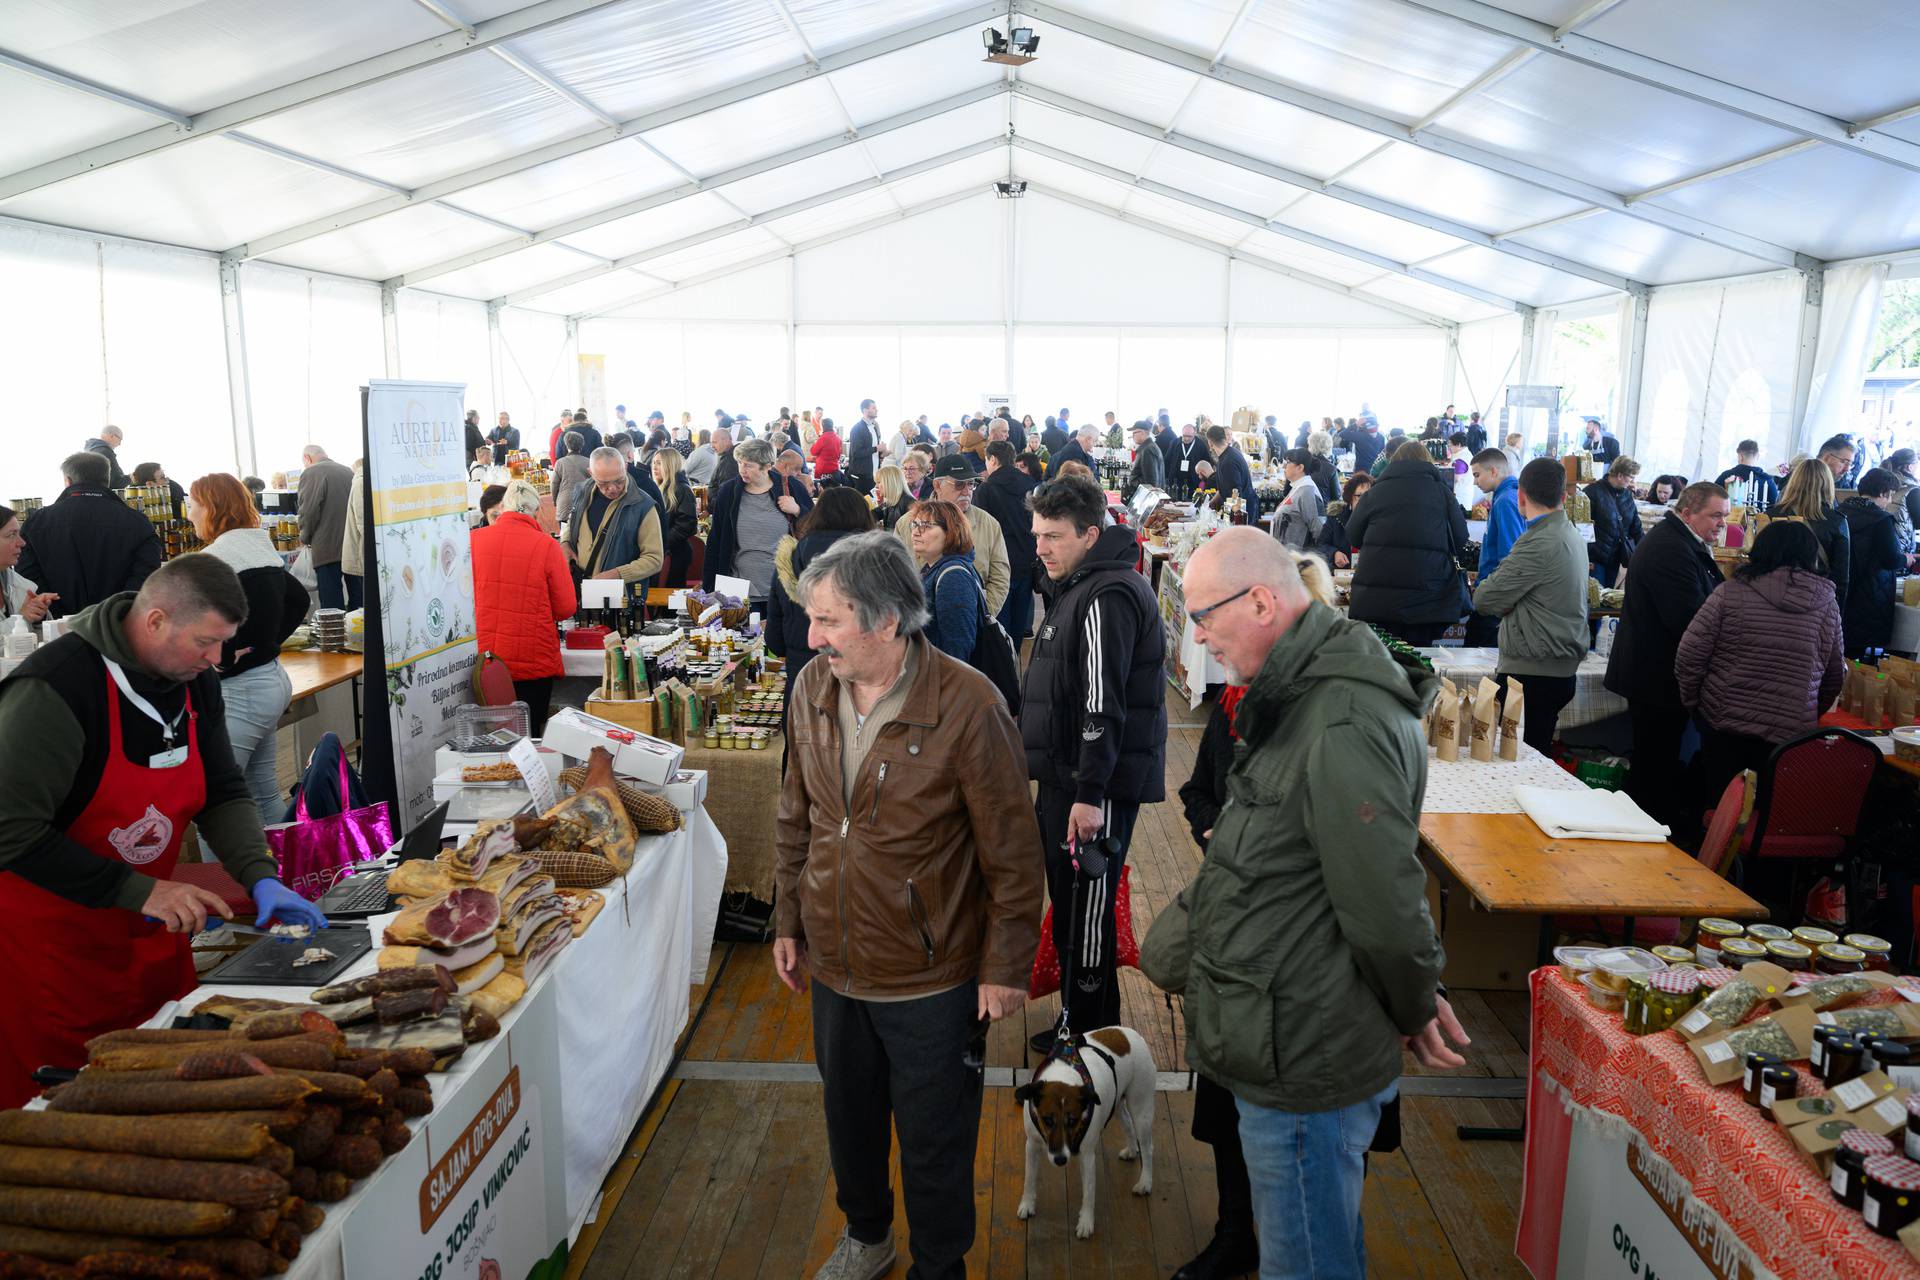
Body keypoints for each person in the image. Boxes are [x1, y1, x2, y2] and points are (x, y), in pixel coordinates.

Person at [1143, 528, 1456, 1280]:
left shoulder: (1341, 721)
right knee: (1319, 1245)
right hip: (1285, 1027)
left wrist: (1415, 1005)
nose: (1201, 638)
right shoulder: (1305, 702)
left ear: (1260, 600)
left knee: (1305, 1261)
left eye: (1205, 616)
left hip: (1304, 1052)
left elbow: (1384, 904)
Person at [772, 531, 1041, 1280]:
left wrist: (1006, 965)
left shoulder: (968, 704)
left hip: (932, 974)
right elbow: (798, 812)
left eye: (829, 619)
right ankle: (867, 1236)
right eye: (811, 617)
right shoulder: (812, 689)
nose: (811, 635)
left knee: (935, 1139)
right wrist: (788, 916)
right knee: (849, 1122)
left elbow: (1013, 857)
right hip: (834, 960)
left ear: (887, 621)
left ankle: (938, 1263)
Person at [0, 555, 328, 1107]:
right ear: (154, 621)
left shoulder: (193, 681)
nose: (217, 659)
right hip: (53, 950)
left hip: (150, 934)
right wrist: (141, 890)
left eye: (224, 643)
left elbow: (222, 790)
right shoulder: (53, 691)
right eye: (206, 642)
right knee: (74, 1115)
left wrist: (259, 874)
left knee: (169, 1090)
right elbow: (9, 831)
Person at [1020, 473, 1165, 1042]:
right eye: (1037, 535)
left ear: (1088, 533)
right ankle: (1079, 1024)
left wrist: (1088, 794)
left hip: (1090, 789)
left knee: (1086, 919)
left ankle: (1088, 1041)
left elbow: (1103, 706)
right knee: (1074, 909)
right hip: (1068, 779)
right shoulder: (1081, 584)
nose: (1041, 547)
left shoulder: (1107, 595)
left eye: (1053, 536)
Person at [1676, 520, 1844, 804]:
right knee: (1766, 812)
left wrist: (1696, 704)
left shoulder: (1730, 593)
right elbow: (1834, 675)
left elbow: (1689, 656)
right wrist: (1806, 711)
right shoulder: (1826, 604)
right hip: (1789, 732)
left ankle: (1712, 848)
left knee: (1720, 809)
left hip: (1724, 721)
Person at [1603, 481, 1731, 830]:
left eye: (1726, 516)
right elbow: (1689, 619)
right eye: (1716, 515)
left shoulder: (1683, 542)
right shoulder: (1672, 549)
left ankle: (1649, 831)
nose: (1722, 523)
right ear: (1688, 512)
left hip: (1659, 675)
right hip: (1655, 677)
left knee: (1656, 763)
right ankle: (1646, 835)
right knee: (1653, 767)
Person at [186, 474, 308, 822]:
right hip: (269, 680)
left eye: (193, 504)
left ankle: (228, 879)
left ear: (212, 507)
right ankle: (281, 870)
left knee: (217, 803)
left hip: (241, 691)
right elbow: (298, 599)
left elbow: (194, 628)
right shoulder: (258, 548)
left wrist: (226, 656)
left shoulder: (217, 560)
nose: (189, 513)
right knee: (262, 789)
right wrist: (266, 641)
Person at [1470, 459, 1590, 756]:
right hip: (1553, 666)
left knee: (1515, 766)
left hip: (1534, 674)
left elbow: (1484, 599)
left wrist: (1508, 600)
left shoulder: (1539, 542)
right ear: (1564, 497)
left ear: (1521, 496)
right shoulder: (1570, 533)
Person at [471, 480, 577, 736]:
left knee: (494, 734)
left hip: (487, 657)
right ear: (535, 511)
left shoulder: (473, 540)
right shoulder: (546, 545)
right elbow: (565, 608)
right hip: (533, 657)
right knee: (531, 735)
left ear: (504, 507)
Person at [1346, 439, 1469, 647]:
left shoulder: (1375, 493)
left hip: (1376, 599)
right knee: (1419, 660)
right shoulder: (1443, 493)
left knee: (1380, 659)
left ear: (1394, 462)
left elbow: (1353, 536)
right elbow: (1460, 538)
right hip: (1428, 598)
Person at [17, 452, 160, 618]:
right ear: (106, 479)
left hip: (56, 627)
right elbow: (148, 574)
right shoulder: (137, 521)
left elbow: (26, 576)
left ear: (68, 481)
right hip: (118, 625)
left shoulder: (36, 522)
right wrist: (116, 612)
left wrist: (57, 612)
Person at [768, 488, 873, 687]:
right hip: (858, 677)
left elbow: (774, 638)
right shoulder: (875, 561)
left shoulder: (789, 559)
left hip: (802, 675)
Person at [891, 456, 1010, 616]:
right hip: (922, 622)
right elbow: (895, 575)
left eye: (971, 484)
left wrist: (982, 614)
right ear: (937, 485)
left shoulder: (988, 524)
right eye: (959, 484)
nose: (967, 491)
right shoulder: (907, 523)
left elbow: (1000, 576)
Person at [703, 438, 811, 605]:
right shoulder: (729, 491)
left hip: (785, 593)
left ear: (767, 466)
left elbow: (817, 529)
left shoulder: (792, 488)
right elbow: (715, 541)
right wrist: (709, 587)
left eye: (748, 465)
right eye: (739, 463)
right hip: (737, 594)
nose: (742, 470)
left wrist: (798, 510)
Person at [562, 447, 663, 587]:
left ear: (626, 467)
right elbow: (572, 521)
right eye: (603, 483)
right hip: (579, 586)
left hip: (620, 597)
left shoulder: (643, 505)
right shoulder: (582, 491)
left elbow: (654, 559)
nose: (612, 489)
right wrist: (565, 543)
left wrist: (618, 574)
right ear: (591, 473)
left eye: (619, 481)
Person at [1838, 468, 1912, 657]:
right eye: (1890, 496)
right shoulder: (1881, 519)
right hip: (1869, 593)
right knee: (1858, 659)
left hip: (1841, 592)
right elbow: (1891, 558)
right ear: (1882, 493)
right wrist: (1906, 559)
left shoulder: (1840, 511)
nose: (1888, 502)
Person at [976, 441, 1040, 643]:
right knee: (1019, 625)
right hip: (1027, 562)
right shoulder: (1031, 485)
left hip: (999, 567)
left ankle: (1003, 670)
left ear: (993, 459)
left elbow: (981, 533)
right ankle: (1016, 666)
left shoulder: (985, 491)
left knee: (998, 629)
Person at [1463, 448, 1525, 647]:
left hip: (1495, 599)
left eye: (1477, 475)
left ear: (1493, 471)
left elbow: (1511, 554)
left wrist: (1491, 591)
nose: (1474, 481)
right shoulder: (1504, 497)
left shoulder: (1506, 501)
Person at [908, 499, 983, 663]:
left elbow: (958, 649)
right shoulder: (932, 568)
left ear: (951, 532)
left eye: (926, 526)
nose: (915, 532)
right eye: (914, 524)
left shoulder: (953, 577)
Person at [1772, 457, 1851, 609]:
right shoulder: (1837, 522)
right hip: (1818, 602)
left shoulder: (1771, 515)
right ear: (1827, 484)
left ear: (1793, 482)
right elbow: (1841, 578)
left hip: (1773, 598)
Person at [295, 445, 354, 611]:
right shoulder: (348, 471)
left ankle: (335, 636)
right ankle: (358, 635)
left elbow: (308, 511)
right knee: (357, 600)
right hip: (351, 545)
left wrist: (305, 537)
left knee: (331, 603)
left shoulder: (311, 472)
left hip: (326, 547)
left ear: (307, 458)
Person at [1585, 455, 1644, 587]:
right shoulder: (1592, 492)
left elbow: (1636, 526)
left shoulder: (1627, 495)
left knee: (1608, 598)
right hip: (1595, 559)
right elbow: (1583, 526)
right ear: (1619, 475)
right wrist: (1586, 555)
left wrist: (1646, 549)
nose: (1633, 481)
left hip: (1616, 558)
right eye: (1631, 477)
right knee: (1595, 600)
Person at [650, 447, 699, 589]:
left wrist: (662, 542)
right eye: (653, 463)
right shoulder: (662, 488)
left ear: (670, 464)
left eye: (659, 463)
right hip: (667, 551)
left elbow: (687, 525)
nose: (654, 467)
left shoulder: (681, 488)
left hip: (676, 553)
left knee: (671, 600)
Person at [0, 507, 58, 624]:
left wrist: (38, 615)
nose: (22, 543)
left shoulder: (21, 586)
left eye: (19, 534)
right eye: (12, 535)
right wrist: (22, 619)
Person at [1198, 424, 1259, 516]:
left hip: (1243, 512)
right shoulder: (1230, 454)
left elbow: (1235, 494)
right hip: (1245, 505)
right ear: (1225, 438)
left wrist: (1228, 518)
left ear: (1210, 443)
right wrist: (1209, 505)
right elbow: (1223, 490)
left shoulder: (1228, 462)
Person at [1270, 448, 1323, 552]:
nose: (1284, 466)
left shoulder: (1307, 491)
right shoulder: (1298, 487)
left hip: (1298, 557)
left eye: (1288, 462)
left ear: (1300, 467)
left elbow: (1318, 530)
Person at [1315, 472, 1370, 568]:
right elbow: (1321, 545)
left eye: (1368, 496)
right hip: (1342, 574)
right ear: (1350, 498)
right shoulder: (1336, 517)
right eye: (1359, 496)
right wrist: (1334, 553)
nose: (1364, 501)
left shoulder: (1378, 521)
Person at [1714, 440, 1779, 508]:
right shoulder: (1767, 479)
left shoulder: (1726, 475)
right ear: (1758, 456)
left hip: (1731, 517)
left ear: (1741, 456)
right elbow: (1774, 504)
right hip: (1759, 518)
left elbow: (1713, 499)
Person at [1883, 448, 1920, 555]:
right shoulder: (1912, 490)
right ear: (1909, 466)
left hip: (1879, 544)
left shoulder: (1882, 482)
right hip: (1900, 550)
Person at [552, 432, 592, 523]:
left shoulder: (560, 463)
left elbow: (554, 484)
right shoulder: (589, 462)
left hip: (565, 503)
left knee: (565, 535)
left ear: (566, 444)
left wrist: (555, 500)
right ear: (582, 445)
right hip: (584, 502)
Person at [1124, 419, 1166, 499]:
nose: (1132, 436)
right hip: (1146, 496)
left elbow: (1151, 482)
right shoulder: (1148, 447)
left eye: (1134, 433)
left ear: (1142, 433)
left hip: (1145, 498)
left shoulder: (1147, 449)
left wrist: (1133, 482)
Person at [845, 399, 880, 492]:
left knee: (873, 503)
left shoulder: (874, 427)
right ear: (865, 410)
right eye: (873, 408)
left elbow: (872, 451)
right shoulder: (857, 428)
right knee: (862, 503)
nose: (877, 410)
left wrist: (882, 453)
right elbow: (856, 452)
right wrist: (876, 448)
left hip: (874, 473)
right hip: (862, 475)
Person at [85, 425, 130, 490]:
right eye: (120, 439)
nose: (120, 444)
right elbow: (115, 482)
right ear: (112, 436)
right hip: (103, 496)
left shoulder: (89, 450)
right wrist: (131, 478)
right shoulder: (106, 452)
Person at [707, 426, 740, 493]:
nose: (712, 446)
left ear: (726, 441)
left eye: (715, 442)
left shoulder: (730, 461)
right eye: (711, 443)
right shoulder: (728, 457)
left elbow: (726, 492)